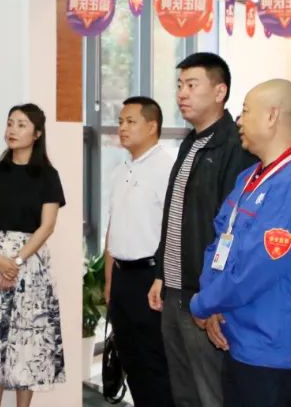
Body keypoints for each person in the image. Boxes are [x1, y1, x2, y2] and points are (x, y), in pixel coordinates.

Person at [190, 79, 291, 407]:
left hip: (271, 347)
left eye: (245, 111)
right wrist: (214, 303)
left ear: (271, 116)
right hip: (237, 335)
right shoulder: (250, 178)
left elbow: (257, 269)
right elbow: (220, 240)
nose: (239, 120)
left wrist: (203, 303)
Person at [148, 52, 257, 407]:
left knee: (211, 393)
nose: (182, 93)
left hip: (204, 295)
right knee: (183, 393)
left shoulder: (235, 148)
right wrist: (162, 273)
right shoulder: (189, 143)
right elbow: (176, 215)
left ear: (219, 91)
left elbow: (232, 231)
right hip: (175, 290)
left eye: (192, 85)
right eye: (180, 85)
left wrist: (215, 298)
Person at [0, 103, 66, 406]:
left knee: (28, 342)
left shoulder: (48, 175)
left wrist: (17, 262)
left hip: (30, 266)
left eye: (21, 125)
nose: (12, 130)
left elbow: (47, 226)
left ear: (37, 133)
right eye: (10, 123)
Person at [103, 96, 175, 406]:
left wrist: (163, 277)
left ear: (152, 126)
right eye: (120, 121)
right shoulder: (120, 170)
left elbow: (175, 228)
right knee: (131, 361)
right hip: (122, 279)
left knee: (154, 363)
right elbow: (113, 227)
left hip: (151, 278)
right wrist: (109, 282)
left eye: (130, 121)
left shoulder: (167, 167)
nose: (122, 127)